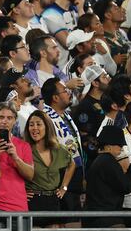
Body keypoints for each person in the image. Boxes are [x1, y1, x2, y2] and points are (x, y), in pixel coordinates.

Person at [0, 102, 33, 224]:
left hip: (18, 206)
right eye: (1, 117)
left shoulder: (24, 146)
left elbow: (30, 175)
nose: (5, 121)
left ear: (15, 121)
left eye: (9, 118)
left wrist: (16, 158)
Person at [41, 77, 84, 227]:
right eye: (65, 90)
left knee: (73, 221)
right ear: (55, 97)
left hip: (73, 179)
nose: (69, 93)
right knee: (62, 222)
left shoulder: (65, 115)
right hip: (59, 180)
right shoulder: (45, 118)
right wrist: (64, 185)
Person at [83, 125, 131, 228]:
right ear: (108, 146)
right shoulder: (108, 161)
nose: (121, 147)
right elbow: (127, 186)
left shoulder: (100, 160)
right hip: (106, 219)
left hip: (99, 218)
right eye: (119, 145)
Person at [25, 110, 75, 228]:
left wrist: (64, 187)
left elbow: (71, 164)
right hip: (32, 203)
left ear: (47, 127)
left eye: (38, 124)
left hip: (53, 201)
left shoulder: (59, 150)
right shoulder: (24, 148)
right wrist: (20, 192)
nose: (34, 128)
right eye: (31, 125)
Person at [41, 0, 85, 69]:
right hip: (63, 68)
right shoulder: (50, 14)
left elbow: (90, 30)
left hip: (78, 64)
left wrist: (81, 10)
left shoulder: (75, 9)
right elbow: (67, 42)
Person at [72, 65, 111, 171]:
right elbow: (85, 136)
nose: (109, 78)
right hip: (96, 162)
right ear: (95, 83)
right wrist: (101, 152)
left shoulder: (105, 101)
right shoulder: (86, 106)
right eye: (104, 77)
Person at [93, 0, 130, 74]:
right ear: (108, 15)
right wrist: (113, 62)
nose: (121, 10)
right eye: (116, 8)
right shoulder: (101, 40)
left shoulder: (120, 33)